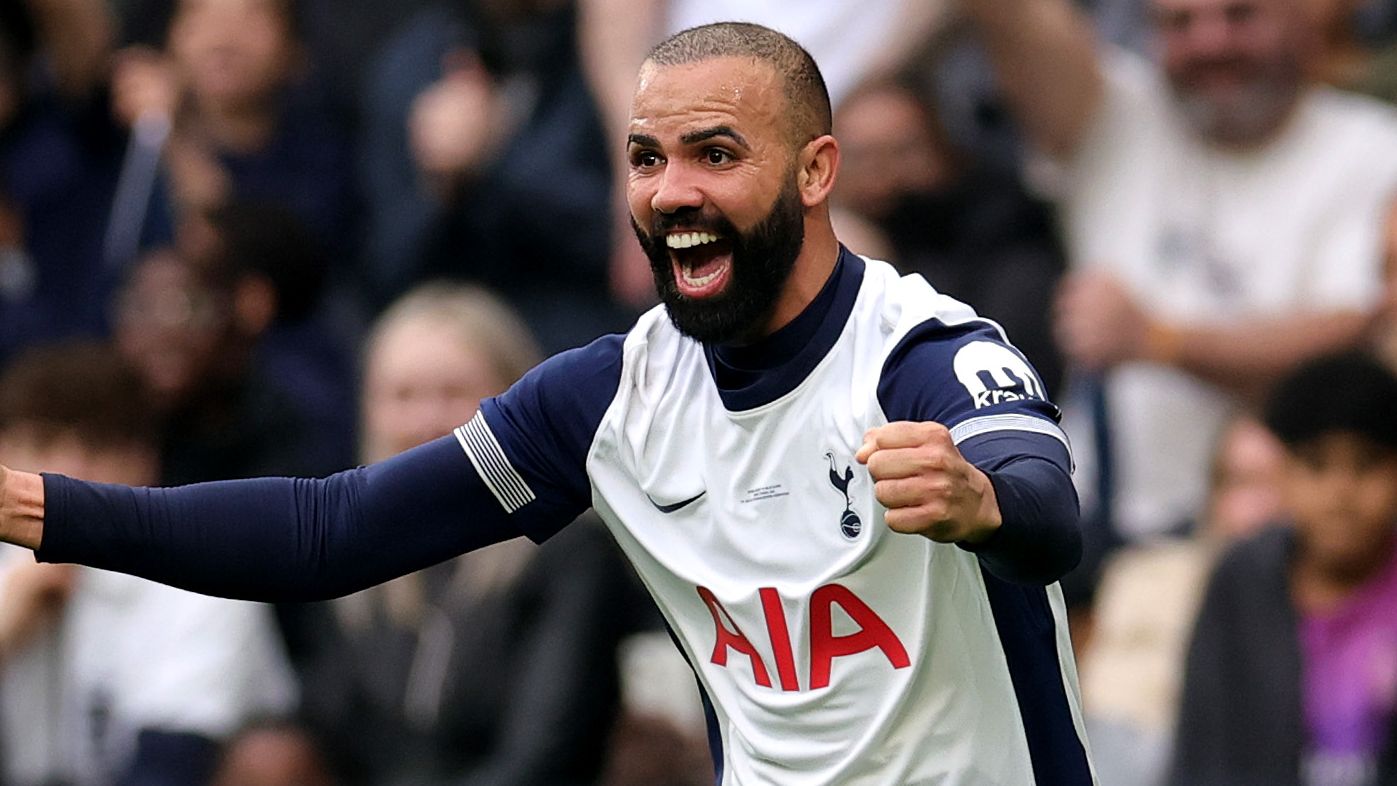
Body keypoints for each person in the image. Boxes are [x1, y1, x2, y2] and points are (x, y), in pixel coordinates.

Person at [0, 22, 1089, 784]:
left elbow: (1047, 515)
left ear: (814, 172)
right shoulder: (612, 395)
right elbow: (329, 531)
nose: (673, 194)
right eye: (645, 158)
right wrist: (45, 510)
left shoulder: (918, 352)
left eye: (716, 155)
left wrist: (979, 501)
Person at [958, 0, 1397, 546]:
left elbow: (1347, 333)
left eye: (1240, 16)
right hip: (1095, 517)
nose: (1211, 44)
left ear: (1303, 21)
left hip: (1276, 542)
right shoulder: (1120, 116)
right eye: (1180, 23)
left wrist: (1159, 341)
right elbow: (1015, 18)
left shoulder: (1374, 148)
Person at [0, 342, 297, 786]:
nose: (63, 472)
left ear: (144, 458)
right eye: (43, 444)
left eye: (96, 446)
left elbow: (167, 770)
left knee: (270, 761)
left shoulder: (200, 575)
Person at [1170, 350, 1397, 785]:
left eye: (1367, 465)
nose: (1341, 493)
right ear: (1286, 474)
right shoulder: (1243, 578)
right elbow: (1203, 747)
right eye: (1317, 465)